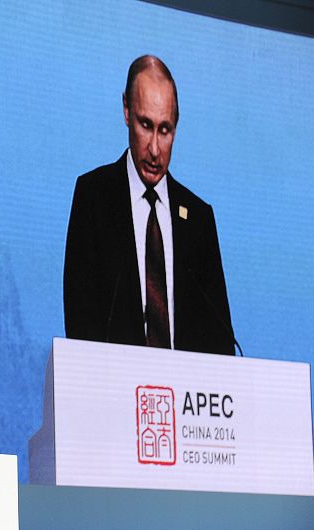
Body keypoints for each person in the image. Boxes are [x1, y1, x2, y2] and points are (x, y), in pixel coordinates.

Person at [63, 55, 235, 355]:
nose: (155, 149)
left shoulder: (199, 219)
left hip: (185, 386)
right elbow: (80, 322)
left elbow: (220, 342)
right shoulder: (94, 197)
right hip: (111, 381)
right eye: (146, 125)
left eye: (165, 130)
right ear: (126, 111)